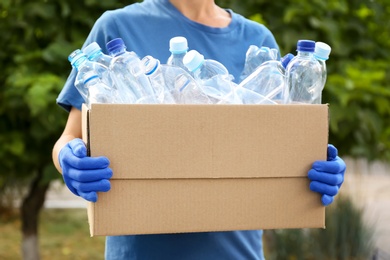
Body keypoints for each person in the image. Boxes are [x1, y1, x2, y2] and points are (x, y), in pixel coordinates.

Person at [52, 0, 346, 259]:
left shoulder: (257, 38)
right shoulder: (117, 26)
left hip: (237, 252)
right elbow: (71, 136)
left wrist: (313, 164)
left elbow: (271, 143)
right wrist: (69, 159)